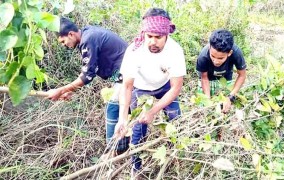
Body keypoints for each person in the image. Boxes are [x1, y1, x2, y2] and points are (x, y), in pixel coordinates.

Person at [114, 8, 186, 176]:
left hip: (165, 87)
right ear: (144, 33)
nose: (153, 42)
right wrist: (122, 118)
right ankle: (136, 168)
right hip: (141, 89)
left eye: (158, 37)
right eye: (149, 36)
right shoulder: (134, 51)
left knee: (175, 119)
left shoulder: (175, 51)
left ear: (167, 34)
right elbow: (126, 87)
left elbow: (176, 87)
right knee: (139, 128)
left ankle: (173, 157)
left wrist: (153, 111)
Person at [47, 17, 130, 153]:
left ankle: (113, 151)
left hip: (128, 73)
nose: (64, 45)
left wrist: (61, 90)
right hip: (124, 74)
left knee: (113, 107)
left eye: (63, 41)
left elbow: (87, 76)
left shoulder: (88, 39)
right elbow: (89, 71)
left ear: (71, 34)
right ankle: (125, 147)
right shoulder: (88, 34)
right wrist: (70, 91)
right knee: (125, 109)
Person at [196, 29, 246, 113]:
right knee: (204, 108)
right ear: (209, 47)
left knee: (226, 108)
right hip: (208, 78)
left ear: (229, 53)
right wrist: (208, 101)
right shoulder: (203, 56)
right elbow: (204, 78)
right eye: (213, 56)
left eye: (220, 58)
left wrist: (230, 97)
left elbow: (242, 75)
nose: (215, 61)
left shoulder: (236, 53)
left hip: (226, 78)